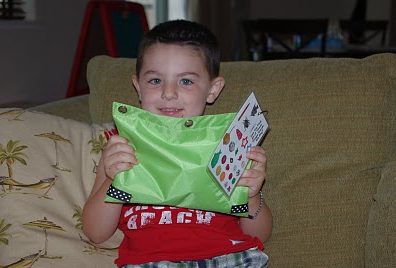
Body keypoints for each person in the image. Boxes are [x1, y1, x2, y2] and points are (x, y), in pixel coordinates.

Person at [82, 19, 272, 268]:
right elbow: (96, 233)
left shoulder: (230, 143)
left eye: (185, 81)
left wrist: (253, 195)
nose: (168, 93)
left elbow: (261, 235)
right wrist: (112, 178)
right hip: (150, 262)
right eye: (155, 81)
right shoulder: (121, 144)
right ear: (138, 87)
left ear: (213, 90)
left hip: (228, 257)